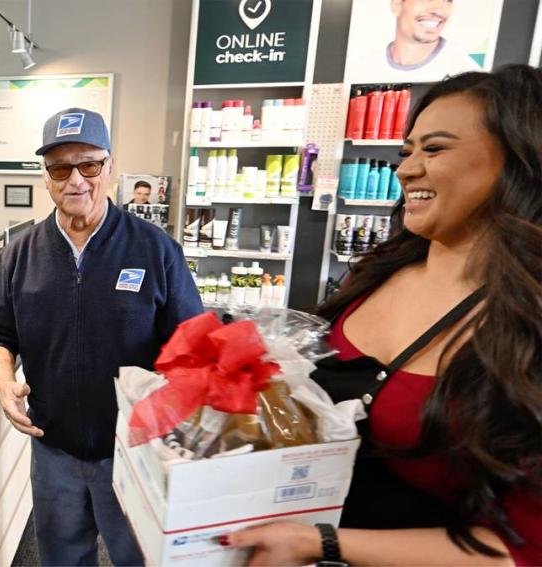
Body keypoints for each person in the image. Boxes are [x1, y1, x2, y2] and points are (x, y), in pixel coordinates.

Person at [228, 65, 542, 566]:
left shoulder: (525, 324)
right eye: (407, 151)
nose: (407, 169)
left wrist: (323, 543)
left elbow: (523, 551)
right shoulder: (378, 273)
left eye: (434, 149)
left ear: (518, 161)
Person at [0, 107, 203, 566]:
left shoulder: (155, 248)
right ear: (47, 177)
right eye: (60, 167)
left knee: (136, 558)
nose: (75, 179)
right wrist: (4, 384)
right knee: (61, 558)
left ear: (110, 168)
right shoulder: (19, 253)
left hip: (133, 449)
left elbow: (192, 344)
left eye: (89, 165)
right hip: (52, 445)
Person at [384, 0, 480, 75]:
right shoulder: (370, 64)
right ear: (397, 5)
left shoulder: (464, 70)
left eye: (448, 0)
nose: (439, 11)